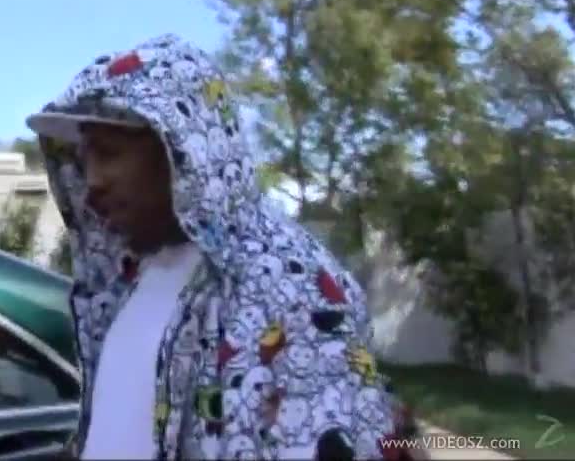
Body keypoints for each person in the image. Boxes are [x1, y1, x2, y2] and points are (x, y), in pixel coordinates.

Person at [26, 34, 416, 460]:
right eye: (84, 159)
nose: (91, 181)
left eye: (109, 153)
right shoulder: (132, 282)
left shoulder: (293, 288)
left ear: (182, 150)